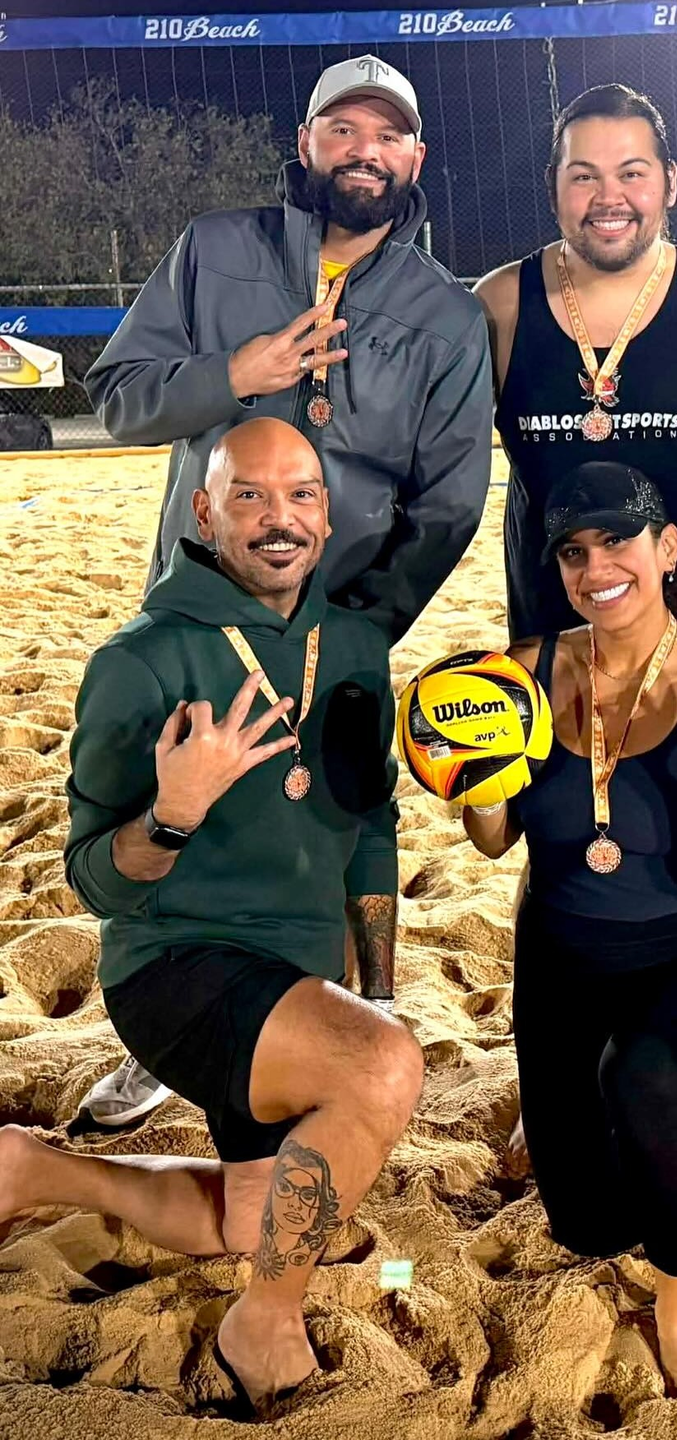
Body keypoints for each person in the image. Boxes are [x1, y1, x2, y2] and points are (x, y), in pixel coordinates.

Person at [81, 53, 490, 1129]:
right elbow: (119, 399)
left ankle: (364, 1004)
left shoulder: (443, 313)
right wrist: (234, 375)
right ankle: (162, 1045)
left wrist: (359, 629)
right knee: (179, 807)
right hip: (202, 612)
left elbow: (448, 499)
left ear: (415, 159)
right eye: (340, 131)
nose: (364, 151)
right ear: (304, 146)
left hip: (342, 618)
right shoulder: (213, 250)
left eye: (386, 135)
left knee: (341, 817)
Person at [1, 418, 423, 1414]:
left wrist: (383, 988)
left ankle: (32, 1170)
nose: (280, 520)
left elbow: (370, 823)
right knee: (377, 1073)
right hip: (175, 968)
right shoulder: (141, 662)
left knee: (254, 1223)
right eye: (250, 497)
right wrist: (174, 812)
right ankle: (261, 1323)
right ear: (204, 512)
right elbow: (96, 884)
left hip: (299, 980)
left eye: (301, 496)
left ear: (327, 512)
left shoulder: (356, 643)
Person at [463, 460, 677, 1393]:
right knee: (588, 1227)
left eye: (618, 540)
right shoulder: (523, 666)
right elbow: (493, 843)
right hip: (558, 962)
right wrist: (473, 784)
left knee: (641, 1080)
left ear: (669, 547)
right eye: (573, 549)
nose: (595, 565)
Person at [476, 83, 677, 653]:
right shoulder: (502, 304)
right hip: (553, 650)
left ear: (671, 184)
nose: (608, 197)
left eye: (632, 173)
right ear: (554, 187)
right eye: (584, 176)